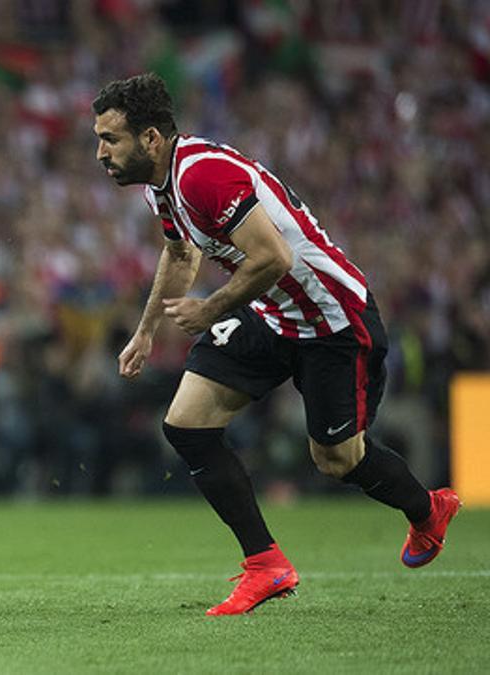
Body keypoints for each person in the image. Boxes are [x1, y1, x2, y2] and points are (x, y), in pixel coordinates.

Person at [92, 73, 461, 616]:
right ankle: (265, 564)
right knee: (186, 424)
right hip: (274, 315)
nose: (100, 153)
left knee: (337, 460)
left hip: (334, 320)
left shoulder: (203, 176)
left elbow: (274, 258)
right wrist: (146, 331)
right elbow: (179, 254)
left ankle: (427, 509)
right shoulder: (161, 184)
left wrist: (209, 309)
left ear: (150, 138)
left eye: (110, 139)